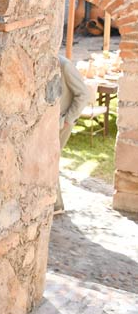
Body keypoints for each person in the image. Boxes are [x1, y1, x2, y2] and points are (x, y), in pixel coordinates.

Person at [55, 54, 90, 212]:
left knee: (51, 160)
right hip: (49, 124)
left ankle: (56, 205)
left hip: (62, 124)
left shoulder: (65, 65)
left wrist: (68, 120)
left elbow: (83, 94)